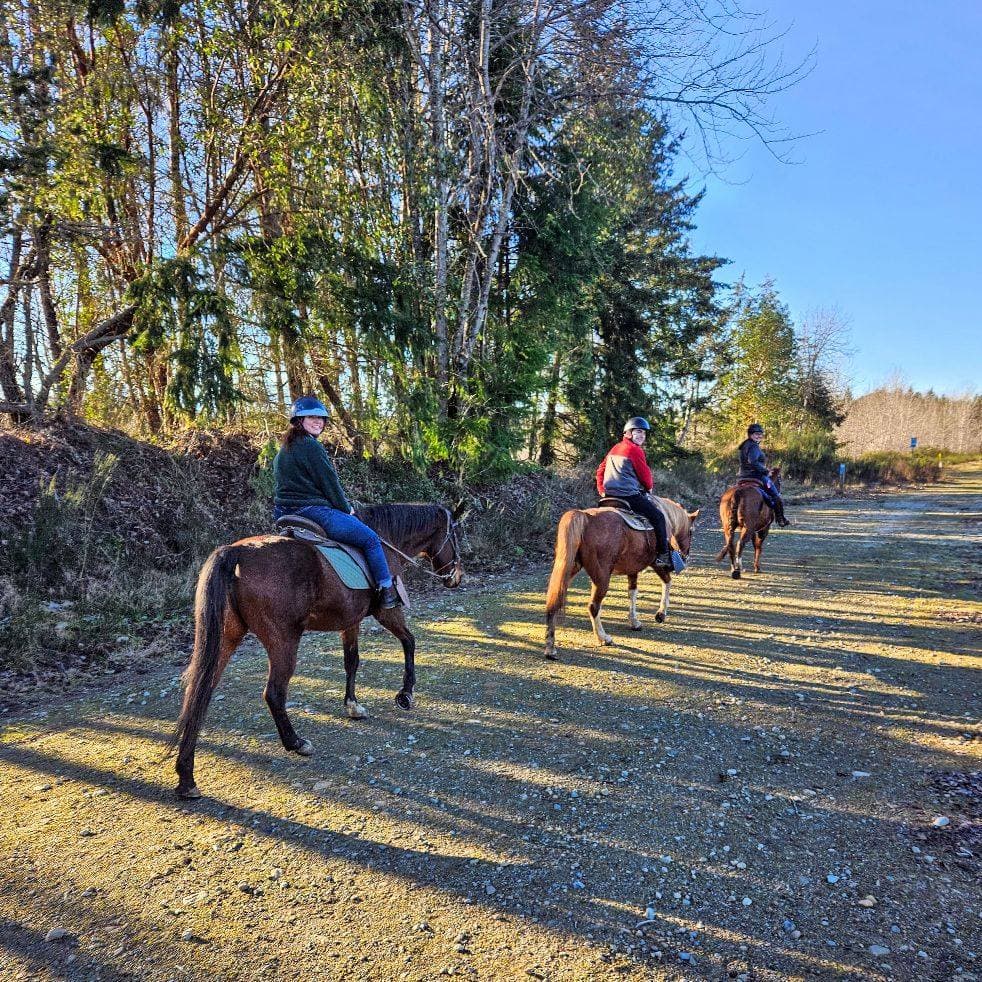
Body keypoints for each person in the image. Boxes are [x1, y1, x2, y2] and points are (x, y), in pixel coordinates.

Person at [273, 396, 402, 609]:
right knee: (370, 539)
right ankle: (387, 591)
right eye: (312, 417)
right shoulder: (310, 446)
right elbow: (329, 482)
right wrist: (346, 508)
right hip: (313, 512)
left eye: (322, 418)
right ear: (298, 420)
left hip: (284, 513)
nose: (318, 422)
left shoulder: (284, 450)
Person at [596, 416, 673, 571]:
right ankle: (663, 555)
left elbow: (600, 471)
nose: (642, 436)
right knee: (658, 517)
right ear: (628, 433)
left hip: (609, 497)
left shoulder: (614, 448)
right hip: (629, 497)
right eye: (638, 432)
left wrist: (602, 490)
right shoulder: (635, 450)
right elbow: (645, 476)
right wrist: (649, 487)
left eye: (644, 433)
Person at [738, 423, 790, 527]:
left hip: (743, 476)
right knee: (776, 496)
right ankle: (780, 519)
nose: (759, 436)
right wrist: (766, 471)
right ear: (750, 435)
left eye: (760, 434)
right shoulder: (753, 446)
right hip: (756, 476)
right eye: (756, 434)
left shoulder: (744, 445)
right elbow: (753, 462)